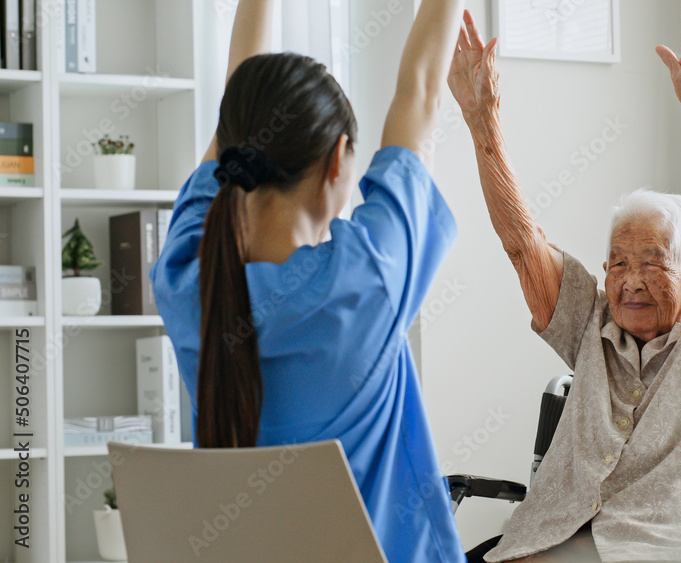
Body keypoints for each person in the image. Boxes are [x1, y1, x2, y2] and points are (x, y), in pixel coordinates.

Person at [149, 0, 467, 560]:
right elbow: (420, 93)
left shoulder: (186, 280)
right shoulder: (365, 280)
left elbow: (240, 104)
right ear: (339, 161)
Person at [450, 1, 681, 561]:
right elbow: (523, 246)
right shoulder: (590, 321)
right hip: (552, 539)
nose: (629, 281)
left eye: (652, 262)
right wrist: (482, 121)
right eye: (617, 263)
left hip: (672, 545)